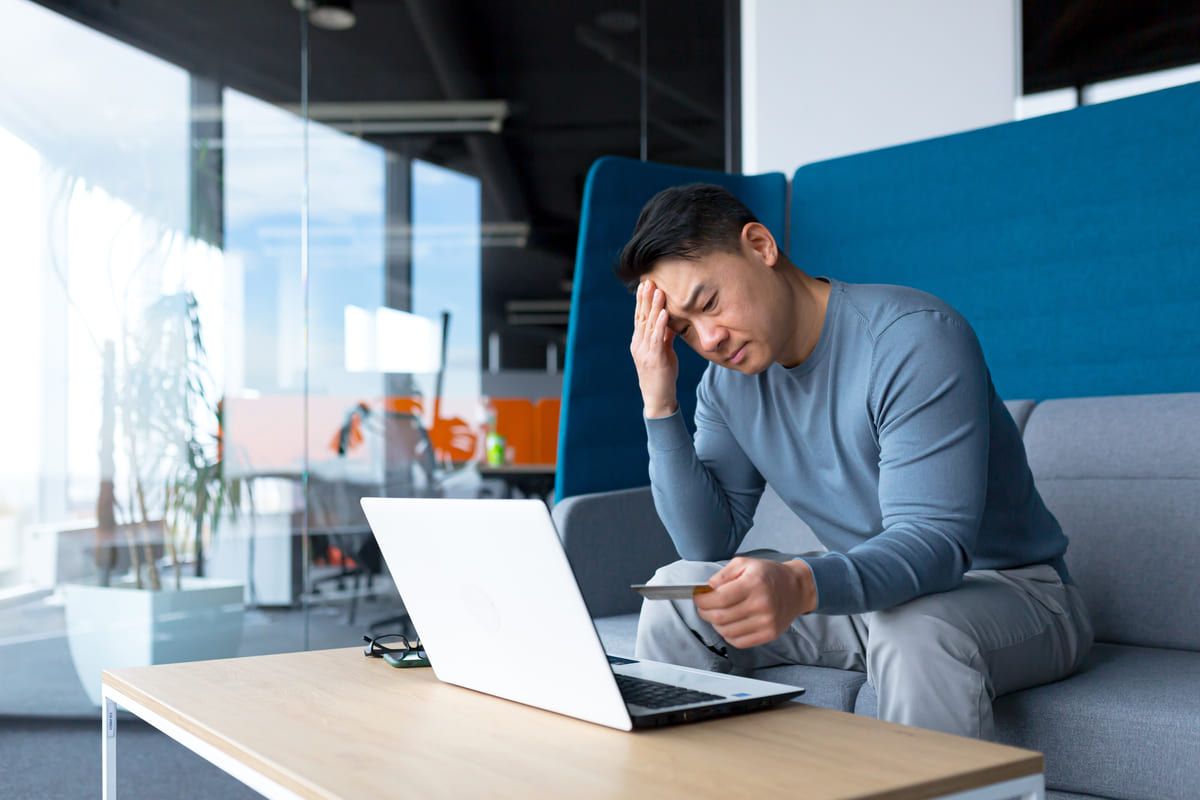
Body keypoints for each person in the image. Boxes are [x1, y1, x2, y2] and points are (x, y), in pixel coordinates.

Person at [618, 183, 1093, 740]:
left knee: (916, 629)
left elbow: (936, 545)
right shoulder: (728, 388)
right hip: (876, 600)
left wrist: (799, 583)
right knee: (681, 597)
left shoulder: (911, 338)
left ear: (760, 244)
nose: (710, 339)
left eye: (708, 303)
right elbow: (704, 544)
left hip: (1013, 594)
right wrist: (660, 400)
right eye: (683, 330)